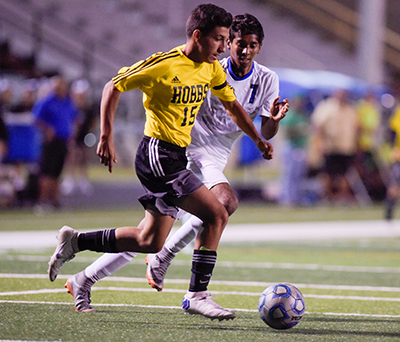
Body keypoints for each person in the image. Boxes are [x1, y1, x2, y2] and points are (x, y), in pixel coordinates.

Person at [47, 5, 285, 321]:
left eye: (235, 41)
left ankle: (80, 261)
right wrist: (106, 135)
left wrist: (260, 138)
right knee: (219, 208)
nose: (231, 47)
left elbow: (233, 108)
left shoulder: (217, 70)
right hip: (168, 152)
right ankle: (194, 292)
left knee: (149, 238)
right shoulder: (173, 63)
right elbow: (113, 85)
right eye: (224, 40)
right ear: (209, 39)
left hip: (195, 155)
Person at [33, 75, 79, 212]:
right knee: (47, 171)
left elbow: (75, 117)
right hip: (51, 141)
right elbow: (36, 118)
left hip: (63, 140)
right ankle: (42, 201)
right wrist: (47, 130)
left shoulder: (68, 101)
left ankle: (54, 201)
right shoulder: (47, 101)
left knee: (57, 172)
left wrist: (73, 134)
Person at [310, 89, 360, 204]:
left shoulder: (350, 109)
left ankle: (340, 198)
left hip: (346, 147)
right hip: (330, 146)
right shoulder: (327, 108)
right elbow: (317, 126)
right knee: (327, 174)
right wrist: (320, 142)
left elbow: (357, 127)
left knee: (344, 174)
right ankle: (327, 197)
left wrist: (357, 142)